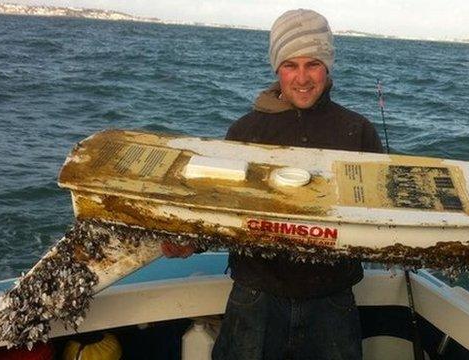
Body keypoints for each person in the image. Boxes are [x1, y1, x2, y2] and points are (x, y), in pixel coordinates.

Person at [163, 9, 383, 360]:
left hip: (332, 301)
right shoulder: (245, 131)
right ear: (276, 67)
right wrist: (190, 240)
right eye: (289, 65)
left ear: (328, 66)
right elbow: (222, 208)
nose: (302, 78)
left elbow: (377, 216)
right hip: (256, 297)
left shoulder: (358, 131)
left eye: (313, 64)